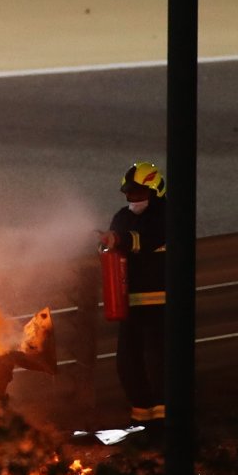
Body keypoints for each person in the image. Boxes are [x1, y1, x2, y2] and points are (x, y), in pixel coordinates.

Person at [98, 161, 167, 437]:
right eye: (129, 194)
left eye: (138, 194)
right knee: (127, 363)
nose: (132, 199)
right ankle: (142, 420)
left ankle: (166, 425)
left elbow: (147, 239)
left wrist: (119, 239)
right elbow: (115, 246)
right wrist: (105, 243)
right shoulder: (122, 216)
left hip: (162, 303)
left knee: (159, 362)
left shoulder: (167, 214)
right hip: (131, 304)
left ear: (155, 190)